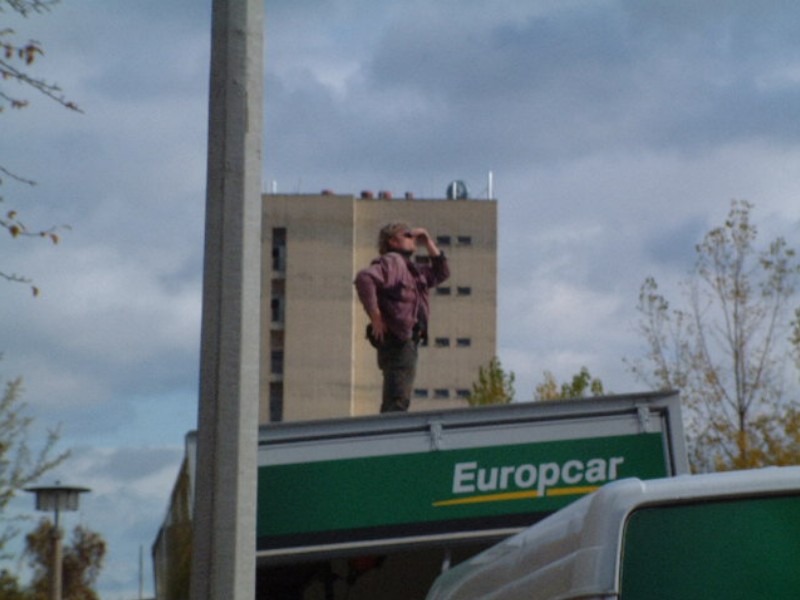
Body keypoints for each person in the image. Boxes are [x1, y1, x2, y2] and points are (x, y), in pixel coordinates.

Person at [354, 223, 450, 413]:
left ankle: (389, 435)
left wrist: (427, 241)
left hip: (406, 341)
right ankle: (389, 438)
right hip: (398, 340)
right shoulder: (394, 261)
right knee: (397, 399)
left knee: (398, 396)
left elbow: (441, 273)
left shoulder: (411, 269)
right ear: (392, 241)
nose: (412, 238)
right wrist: (376, 317)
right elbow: (365, 278)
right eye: (406, 235)